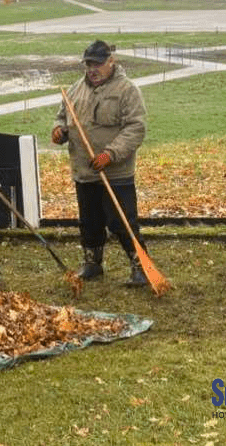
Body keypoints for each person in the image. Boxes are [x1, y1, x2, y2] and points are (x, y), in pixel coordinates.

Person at [51, 40, 149, 286]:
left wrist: (110, 154)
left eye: (97, 64)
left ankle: (140, 267)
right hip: (84, 170)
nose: (92, 69)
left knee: (122, 221)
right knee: (90, 221)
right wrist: (59, 131)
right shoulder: (75, 89)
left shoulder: (127, 90)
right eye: (88, 64)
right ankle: (93, 263)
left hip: (116, 172)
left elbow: (136, 128)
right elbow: (62, 116)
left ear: (110, 62)